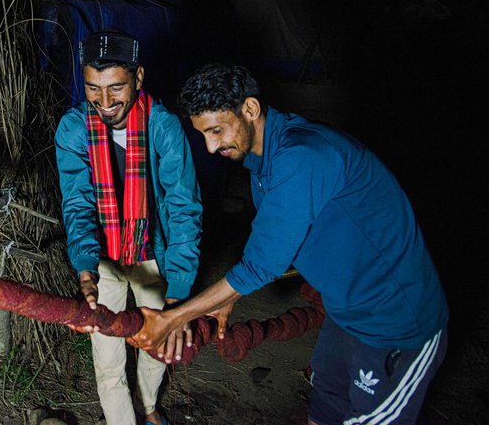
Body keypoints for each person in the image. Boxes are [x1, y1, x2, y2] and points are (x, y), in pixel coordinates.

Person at [132, 64, 449, 425]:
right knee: (324, 408)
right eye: (202, 134)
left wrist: (172, 319)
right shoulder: (262, 160)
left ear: (250, 109)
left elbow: (261, 265)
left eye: (217, 130)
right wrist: (229, 298)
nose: (210, 145)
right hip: (345, 314)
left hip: (396, 324)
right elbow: (274, 249)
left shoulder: (302, 156)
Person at [54, 28, 202, 425]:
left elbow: (184, 207)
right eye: (93, 89)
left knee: (158, 344)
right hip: (104, 260)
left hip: (154, 257)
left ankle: (150, 407)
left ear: (138, 78)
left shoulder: (163, 126)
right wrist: (85, 266)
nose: (105, 102)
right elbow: (77, 201)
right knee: (107, 355)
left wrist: (180, 292)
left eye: (116, 88)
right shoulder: (73, 129)